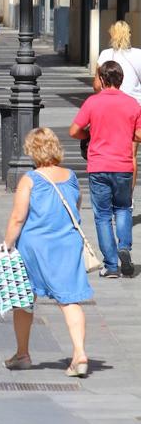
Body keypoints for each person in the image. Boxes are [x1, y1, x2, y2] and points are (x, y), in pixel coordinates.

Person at [2, 127, 93, 377]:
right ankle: (80, 354)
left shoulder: (30, 179)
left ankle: (22, 354)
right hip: (67, 244)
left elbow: (18, 218)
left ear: (32, 150)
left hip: (35, 246)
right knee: (69, 300)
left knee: (23, 300)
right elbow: (76, 206)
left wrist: (6, 244)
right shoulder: (71, 176)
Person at [70, 60, 141, 278]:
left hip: (98, 166)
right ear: (121, 80)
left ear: (102, 80)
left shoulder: (92, 102)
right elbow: (139, 135)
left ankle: (110, 266)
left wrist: (89, 135)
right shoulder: (133, 104)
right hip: (123, 166)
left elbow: (74, 131)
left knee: (102, 215)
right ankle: (125, 248)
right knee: (123, 208)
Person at [94, 20, 141, 186]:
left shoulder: (106, 55)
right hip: (134, 108)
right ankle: (128, 199)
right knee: (131, 155)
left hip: (109, 109)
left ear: (112, 34)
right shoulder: (139, 55)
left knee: (109, 150)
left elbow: (97, 85)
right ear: (129, 34)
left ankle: (110, 190)